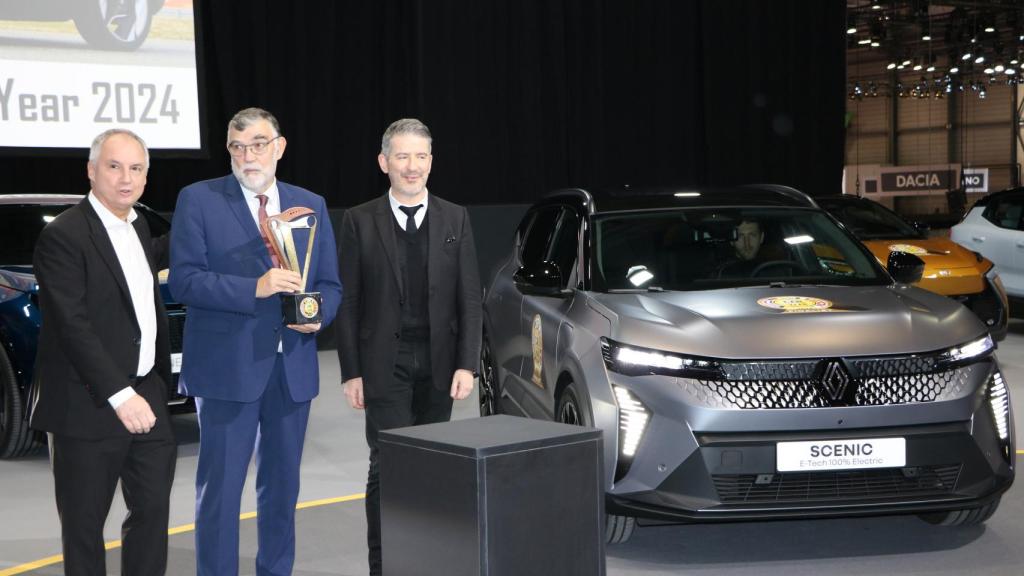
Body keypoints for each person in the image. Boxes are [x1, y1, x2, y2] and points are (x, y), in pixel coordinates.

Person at [169, 107, 342, 576]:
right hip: (227, 371)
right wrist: (255, 288)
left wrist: (318, 316)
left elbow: (329, 284)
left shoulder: (311, 204)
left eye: (259, 144)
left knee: (283, 491)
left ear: (279, 147)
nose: (249, 155)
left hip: (292, 370)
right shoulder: (198, 200)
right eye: (238, 146)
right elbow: (184, 281)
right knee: (221, 494)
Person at [337, 118, 482, 576]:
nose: (412, 166)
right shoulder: (359, 220)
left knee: (433, 466)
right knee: (388, 466)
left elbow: (469, 298)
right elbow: (349, 302)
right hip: (385, 366)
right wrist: (351, 372)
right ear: (384, 163)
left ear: (431, 162)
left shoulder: (455, 216)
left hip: (440, 366)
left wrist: (467, 364)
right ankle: (384, 567)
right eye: (402, 156)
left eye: (420, 156)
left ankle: (429, 561)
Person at [31, 128, 176, 575]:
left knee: (152, 514)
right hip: (87, 404)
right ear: (92, 172)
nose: (126, 179)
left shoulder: (140, 226)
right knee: (84, 529)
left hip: (147, 395)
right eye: (114, 167)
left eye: (136, 169)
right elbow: (72, 327)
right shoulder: (64, 236)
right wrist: (119, 394)